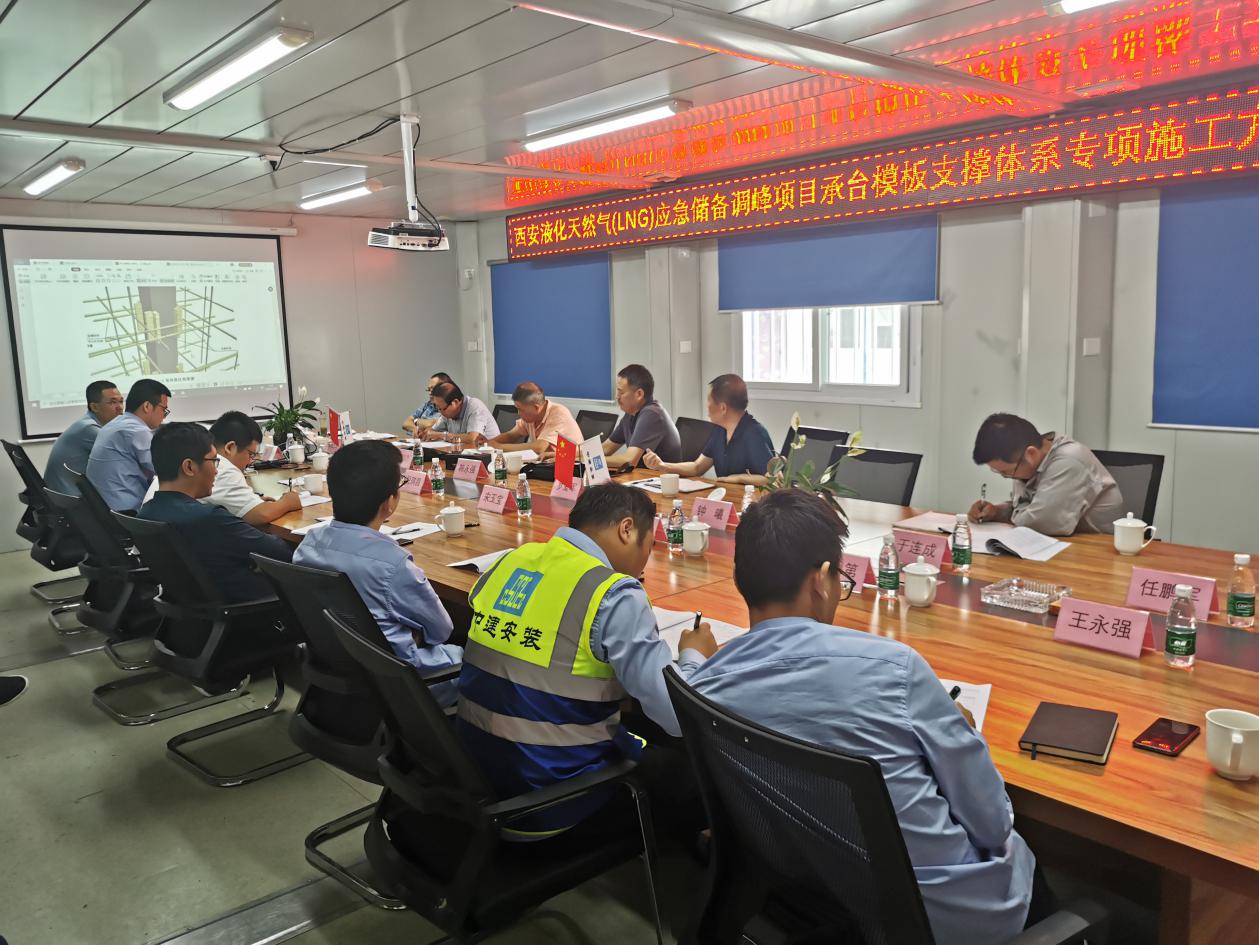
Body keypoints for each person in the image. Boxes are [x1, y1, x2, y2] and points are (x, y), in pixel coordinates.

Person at [688, 489, 1037, 945]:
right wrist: (962, 733)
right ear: (822, 580)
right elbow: (992, 824)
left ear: (740, 579)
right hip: (937, 918)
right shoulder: (896, 671)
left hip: (814, 888)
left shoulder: (708, 684)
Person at [456, 482, 718, 838]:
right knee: (699, 775)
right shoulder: (612, 593)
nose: (646, 559)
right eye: (649, 544)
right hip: (554, 802)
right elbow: (679, 716)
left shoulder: (510, 560)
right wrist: (693, 656)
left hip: (477, 780)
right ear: (627, 529)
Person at [293, 441, 462, 706]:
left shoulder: (309, 545)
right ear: (389, 503)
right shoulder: (393, 564)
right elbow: (441, 630)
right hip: (406, 684)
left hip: (343, 670)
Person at [139, 423, 292, 602]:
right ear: (189, 467)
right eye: (213, 461)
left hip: (191, 607)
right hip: (251, 606)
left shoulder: (146, 513)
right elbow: (280, 553)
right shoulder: (207, 518)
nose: (217, 470)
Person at [968, 413, 1125, 536]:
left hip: (1097, 550)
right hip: (1060, 545)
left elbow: (1039, 522)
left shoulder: (1069, 461)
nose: (1009, 477)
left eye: (1006, 473)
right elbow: (1027, 508)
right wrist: (997, 512)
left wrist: (1018, 513)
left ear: (1030, 454)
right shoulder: (1025, 461)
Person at [644, 374, 773, 485]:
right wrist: (662, 465)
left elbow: (772, 479)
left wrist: (739, 478)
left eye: (709, 400)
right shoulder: (720, 430)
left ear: (723, 408)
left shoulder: (754, 433)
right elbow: (697, 467)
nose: (707, 405)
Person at [203, 411, 302, 526]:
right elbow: (261, 515)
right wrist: (288, 502)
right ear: (230, 447)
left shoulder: (203, 461)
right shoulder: (224, 469)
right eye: (250, 454)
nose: (250, 461)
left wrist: (250, 502)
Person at [86, 378, 170, 511]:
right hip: (126, 512)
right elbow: (164, 470)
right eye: (164, 409)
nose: (164, 416)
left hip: (104, 508)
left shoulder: (116, 423)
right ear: (147, 406)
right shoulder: (136, 430)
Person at [43, 380, 125, 493]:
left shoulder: (89, 423)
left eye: (121, 401)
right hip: (70, 498)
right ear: (94, 407)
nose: (120, 407)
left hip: (62, 495)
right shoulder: (88, 429)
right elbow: (127, 457)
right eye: (112, 402)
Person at [603, 364, 681, 470]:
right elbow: (607, 448)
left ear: (639, 394)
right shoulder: (631, 413)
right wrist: (581, 454)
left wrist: (591, 460)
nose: (617, 396)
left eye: (621, 392)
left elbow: (630, 460)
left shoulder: (652, 414)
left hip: (660, 478)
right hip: (642, 476)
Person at [480, 381, 582, 458]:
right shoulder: (531, 417)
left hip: (570, 467)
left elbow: (539, 447)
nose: (518, 413)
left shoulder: (558, 413)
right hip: (545, 466)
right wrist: (486, 444)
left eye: (521, 409)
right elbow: (511, 435)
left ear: (536, 407)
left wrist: (498, 447)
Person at [419, 380, 499, 445]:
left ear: (455, 402)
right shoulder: (446, 412)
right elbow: (434, 430)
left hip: (488, 454)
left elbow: (473, 438)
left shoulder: (475, 407)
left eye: (442, 409)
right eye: (438, 408)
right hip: (464, 452)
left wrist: (442, 435)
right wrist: (425, 433)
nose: (441, 412)